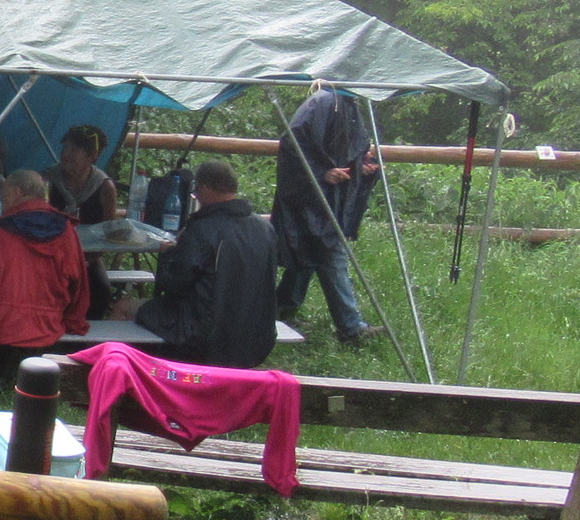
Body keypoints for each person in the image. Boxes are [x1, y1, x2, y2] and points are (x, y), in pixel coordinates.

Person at [125, 160, 279, 367]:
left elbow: (173, 284)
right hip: (257, 338)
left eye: (196, 191)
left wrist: (169, 254)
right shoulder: (265, 229)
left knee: (123, 307)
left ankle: (115, 375)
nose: (196, 196)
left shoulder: (202, 230)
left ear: (204, 188)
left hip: (204, 338)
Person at [0, 169, 89, 382]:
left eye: (4, 197)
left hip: (4, 340)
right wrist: (71, 321)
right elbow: (79, 288)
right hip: (50, 333)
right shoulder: (67, 232)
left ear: (16, 192)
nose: (2, 205)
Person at [272, 84, 380, 346]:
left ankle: (279, 308)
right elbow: (293, 143)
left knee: (310, 251)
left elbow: (341, 150)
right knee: (329, 250)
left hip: (329, 197)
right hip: (310, 198)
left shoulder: (348, 103)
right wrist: (320, 173)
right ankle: (351, 328)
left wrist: (360, 165)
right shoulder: (323, 102)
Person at [45, 122, 120, 320]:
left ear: (92, 156)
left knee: (100, 292)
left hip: (88, 258)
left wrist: (85, 262)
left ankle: (87, 335)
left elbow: (108, 234)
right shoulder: (47, 180)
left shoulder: (104, 188)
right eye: (65, 147)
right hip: (49, 256)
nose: (66, 154)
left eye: (74, 150)